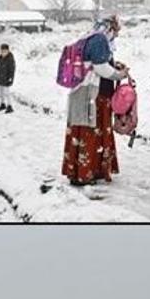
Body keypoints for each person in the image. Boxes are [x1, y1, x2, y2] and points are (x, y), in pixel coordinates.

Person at [62, 14, 128, 186]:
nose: (117, 35)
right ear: (110, 28)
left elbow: (95, 62)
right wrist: (118, 74)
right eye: (116, 30)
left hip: (85, 93)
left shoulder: (91, 37)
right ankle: (87, 173)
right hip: (94, 95)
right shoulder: (99, 40)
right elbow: (100, 67)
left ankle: (80, 171)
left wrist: (113, 65)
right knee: (92, 132)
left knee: (84, 131)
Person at [0, 43, 16, 113]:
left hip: (6, 80)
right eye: (2, 51)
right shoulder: (0, 59)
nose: (3, 53)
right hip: (0, 79)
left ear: (8, 51)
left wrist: (10, 79)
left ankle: (10, 106)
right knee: (0, 93)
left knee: (7, 93)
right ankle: (2, 104)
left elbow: (12, 70)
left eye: (5, 51)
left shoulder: (10, 59)